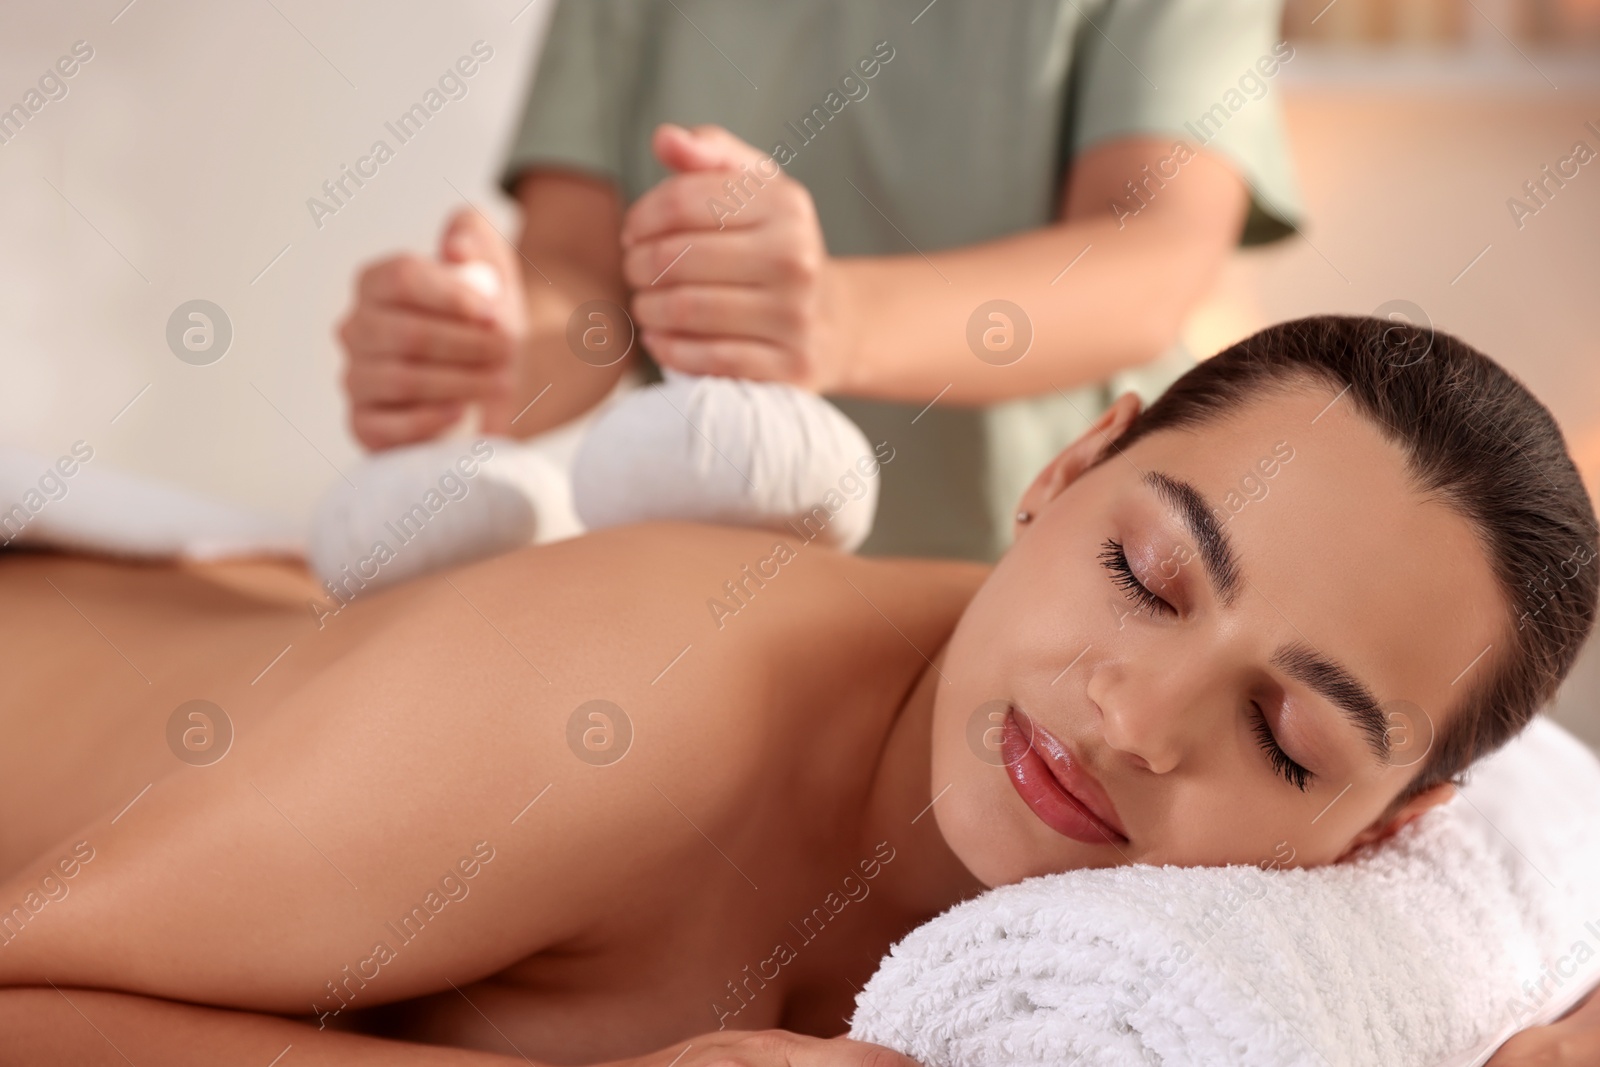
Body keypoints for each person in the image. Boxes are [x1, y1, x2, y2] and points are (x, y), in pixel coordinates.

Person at [0, 317, 1595, 1064]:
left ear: (1397, 824)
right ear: (1071, 463)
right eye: (1150, 574)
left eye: (1284, 734)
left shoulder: (1135, 983)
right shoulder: (633, 705)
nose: (1135, 714)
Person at [337, 0, 1304, 560]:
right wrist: (481, 350)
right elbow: (582, 275)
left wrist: (832, 319)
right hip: (708, 614)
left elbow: (1148, 256)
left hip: (1022, 579)